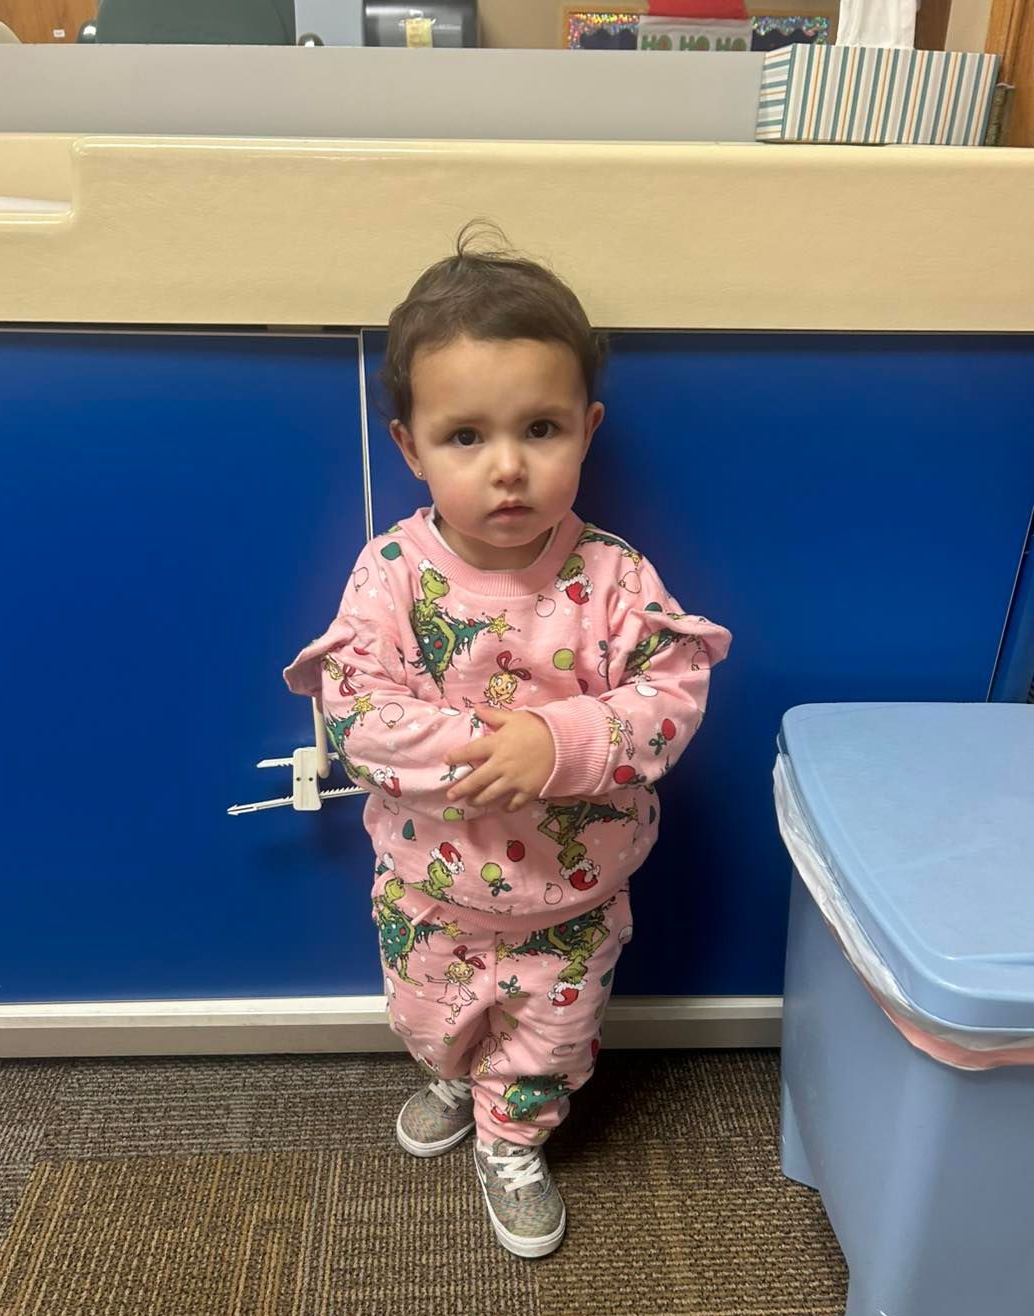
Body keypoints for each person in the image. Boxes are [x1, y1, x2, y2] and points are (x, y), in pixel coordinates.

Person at [283, 220, 731, 1258]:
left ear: (588, 428)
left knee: (550, 1045)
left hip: (571, 902)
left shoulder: (613, 576)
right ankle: (450, 1075)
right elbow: (354, 706)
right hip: (428, 889)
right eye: (466, 437)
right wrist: (487, 753)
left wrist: (564, 739)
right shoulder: (392, 571)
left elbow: (675, 686)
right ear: (410, 446)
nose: (508, 471)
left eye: (541, 429)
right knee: (429, 1017)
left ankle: (509, 1132)